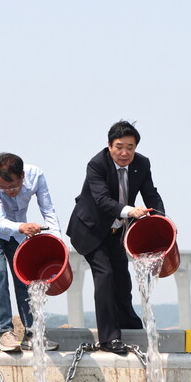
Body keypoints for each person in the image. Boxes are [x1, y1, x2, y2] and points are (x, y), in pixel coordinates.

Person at [67, 120, 164, 354]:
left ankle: (128, 322)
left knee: (121, 276)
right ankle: (109, 338)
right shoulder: (96, 164)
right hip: (89, 230)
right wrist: (130, 211)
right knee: (105, 274)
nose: (124, 153)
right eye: (119, 147)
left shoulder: (142, 163)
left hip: (116, 231)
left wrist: (161, 221)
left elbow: (151, 194)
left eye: (130, 147)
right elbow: (102, 200)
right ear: (109, 146)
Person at [0, 152, 61, 352]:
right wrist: (22, 227)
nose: (9, 191)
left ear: (22, 176)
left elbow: (48, 210)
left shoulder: (36, 175)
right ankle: (5, 332)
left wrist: (57, 241)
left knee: (25, 277)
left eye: (13, 186)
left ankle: (33, 333)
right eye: (3, 188)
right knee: (0, 273)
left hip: (18, 230)